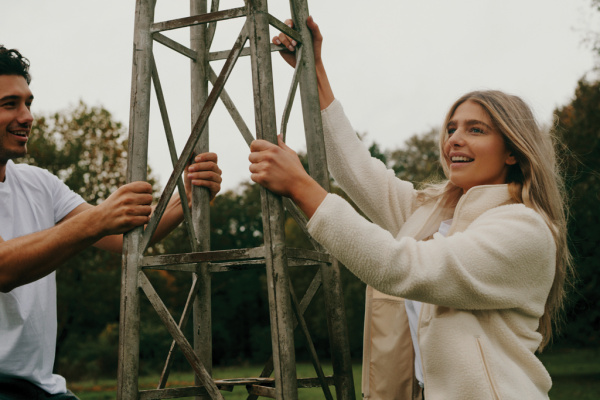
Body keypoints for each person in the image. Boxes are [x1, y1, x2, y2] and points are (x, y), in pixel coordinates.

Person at [248, 17, 572, 400]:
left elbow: (402, 266)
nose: (454, 140)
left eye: (475, 129)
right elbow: (356, 169)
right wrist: (314, 70)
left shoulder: (525, 229)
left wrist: (301, 186)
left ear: (513, 152)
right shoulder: (432, 214)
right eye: (451, 128)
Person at [0, 45, 222, 399]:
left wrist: (188, 198)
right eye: (9, 104)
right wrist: (99, 218)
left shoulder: (38, 183)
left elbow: (122, 237)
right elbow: (3, 269)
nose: (27, 116)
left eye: (28, 103)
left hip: (42, 389)